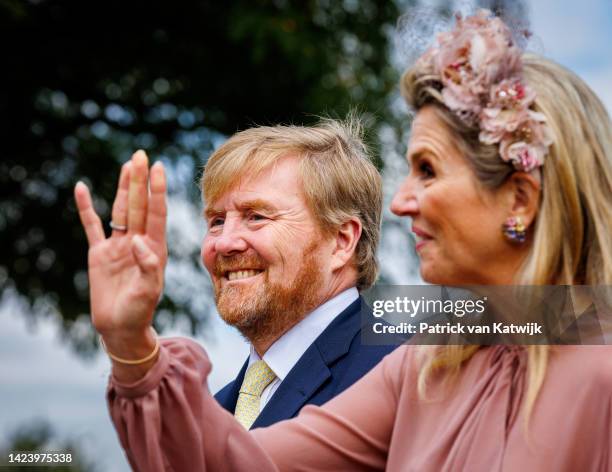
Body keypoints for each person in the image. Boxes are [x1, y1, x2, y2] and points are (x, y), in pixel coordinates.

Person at [78, 10, 612, 471]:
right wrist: (132, 347)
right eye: (215, 221)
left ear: (519, 199)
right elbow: (240, 463)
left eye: (428, 170)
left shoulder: (401, 347)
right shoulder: (427, 363)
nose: (400, 201)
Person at [74, 118, 395, 433]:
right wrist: (127, 340)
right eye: (215, 221)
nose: (223, 243)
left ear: (341, 241)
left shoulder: (405, 376)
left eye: (256, 216)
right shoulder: (216, 411)